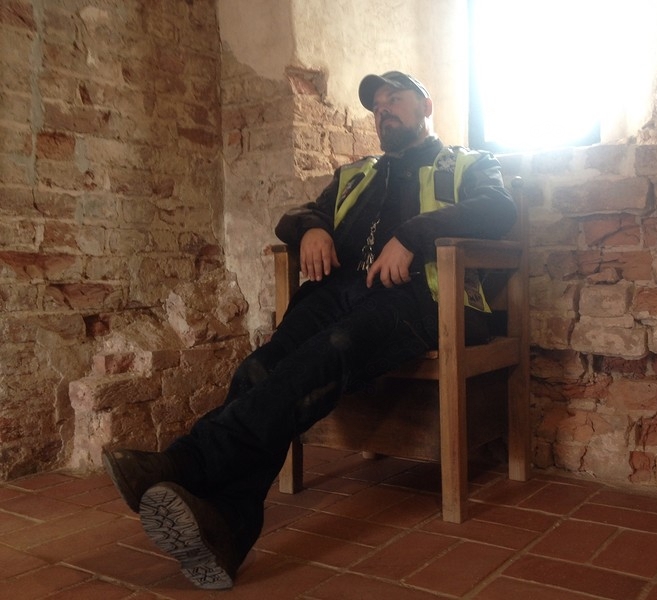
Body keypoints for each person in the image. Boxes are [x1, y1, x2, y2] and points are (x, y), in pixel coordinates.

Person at [102, 70, 516, 590]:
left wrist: (413, 235)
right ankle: (229, 524)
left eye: (394, 98)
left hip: (421, 298)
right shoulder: (357, 175)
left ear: (426, 104)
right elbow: (296, 214)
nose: (383, 110)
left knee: (330, 349)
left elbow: (499, 209)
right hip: (336, 296)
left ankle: (187, 462)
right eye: (377, 105)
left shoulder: (467, 163)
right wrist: (313, 228)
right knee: (258, 368)